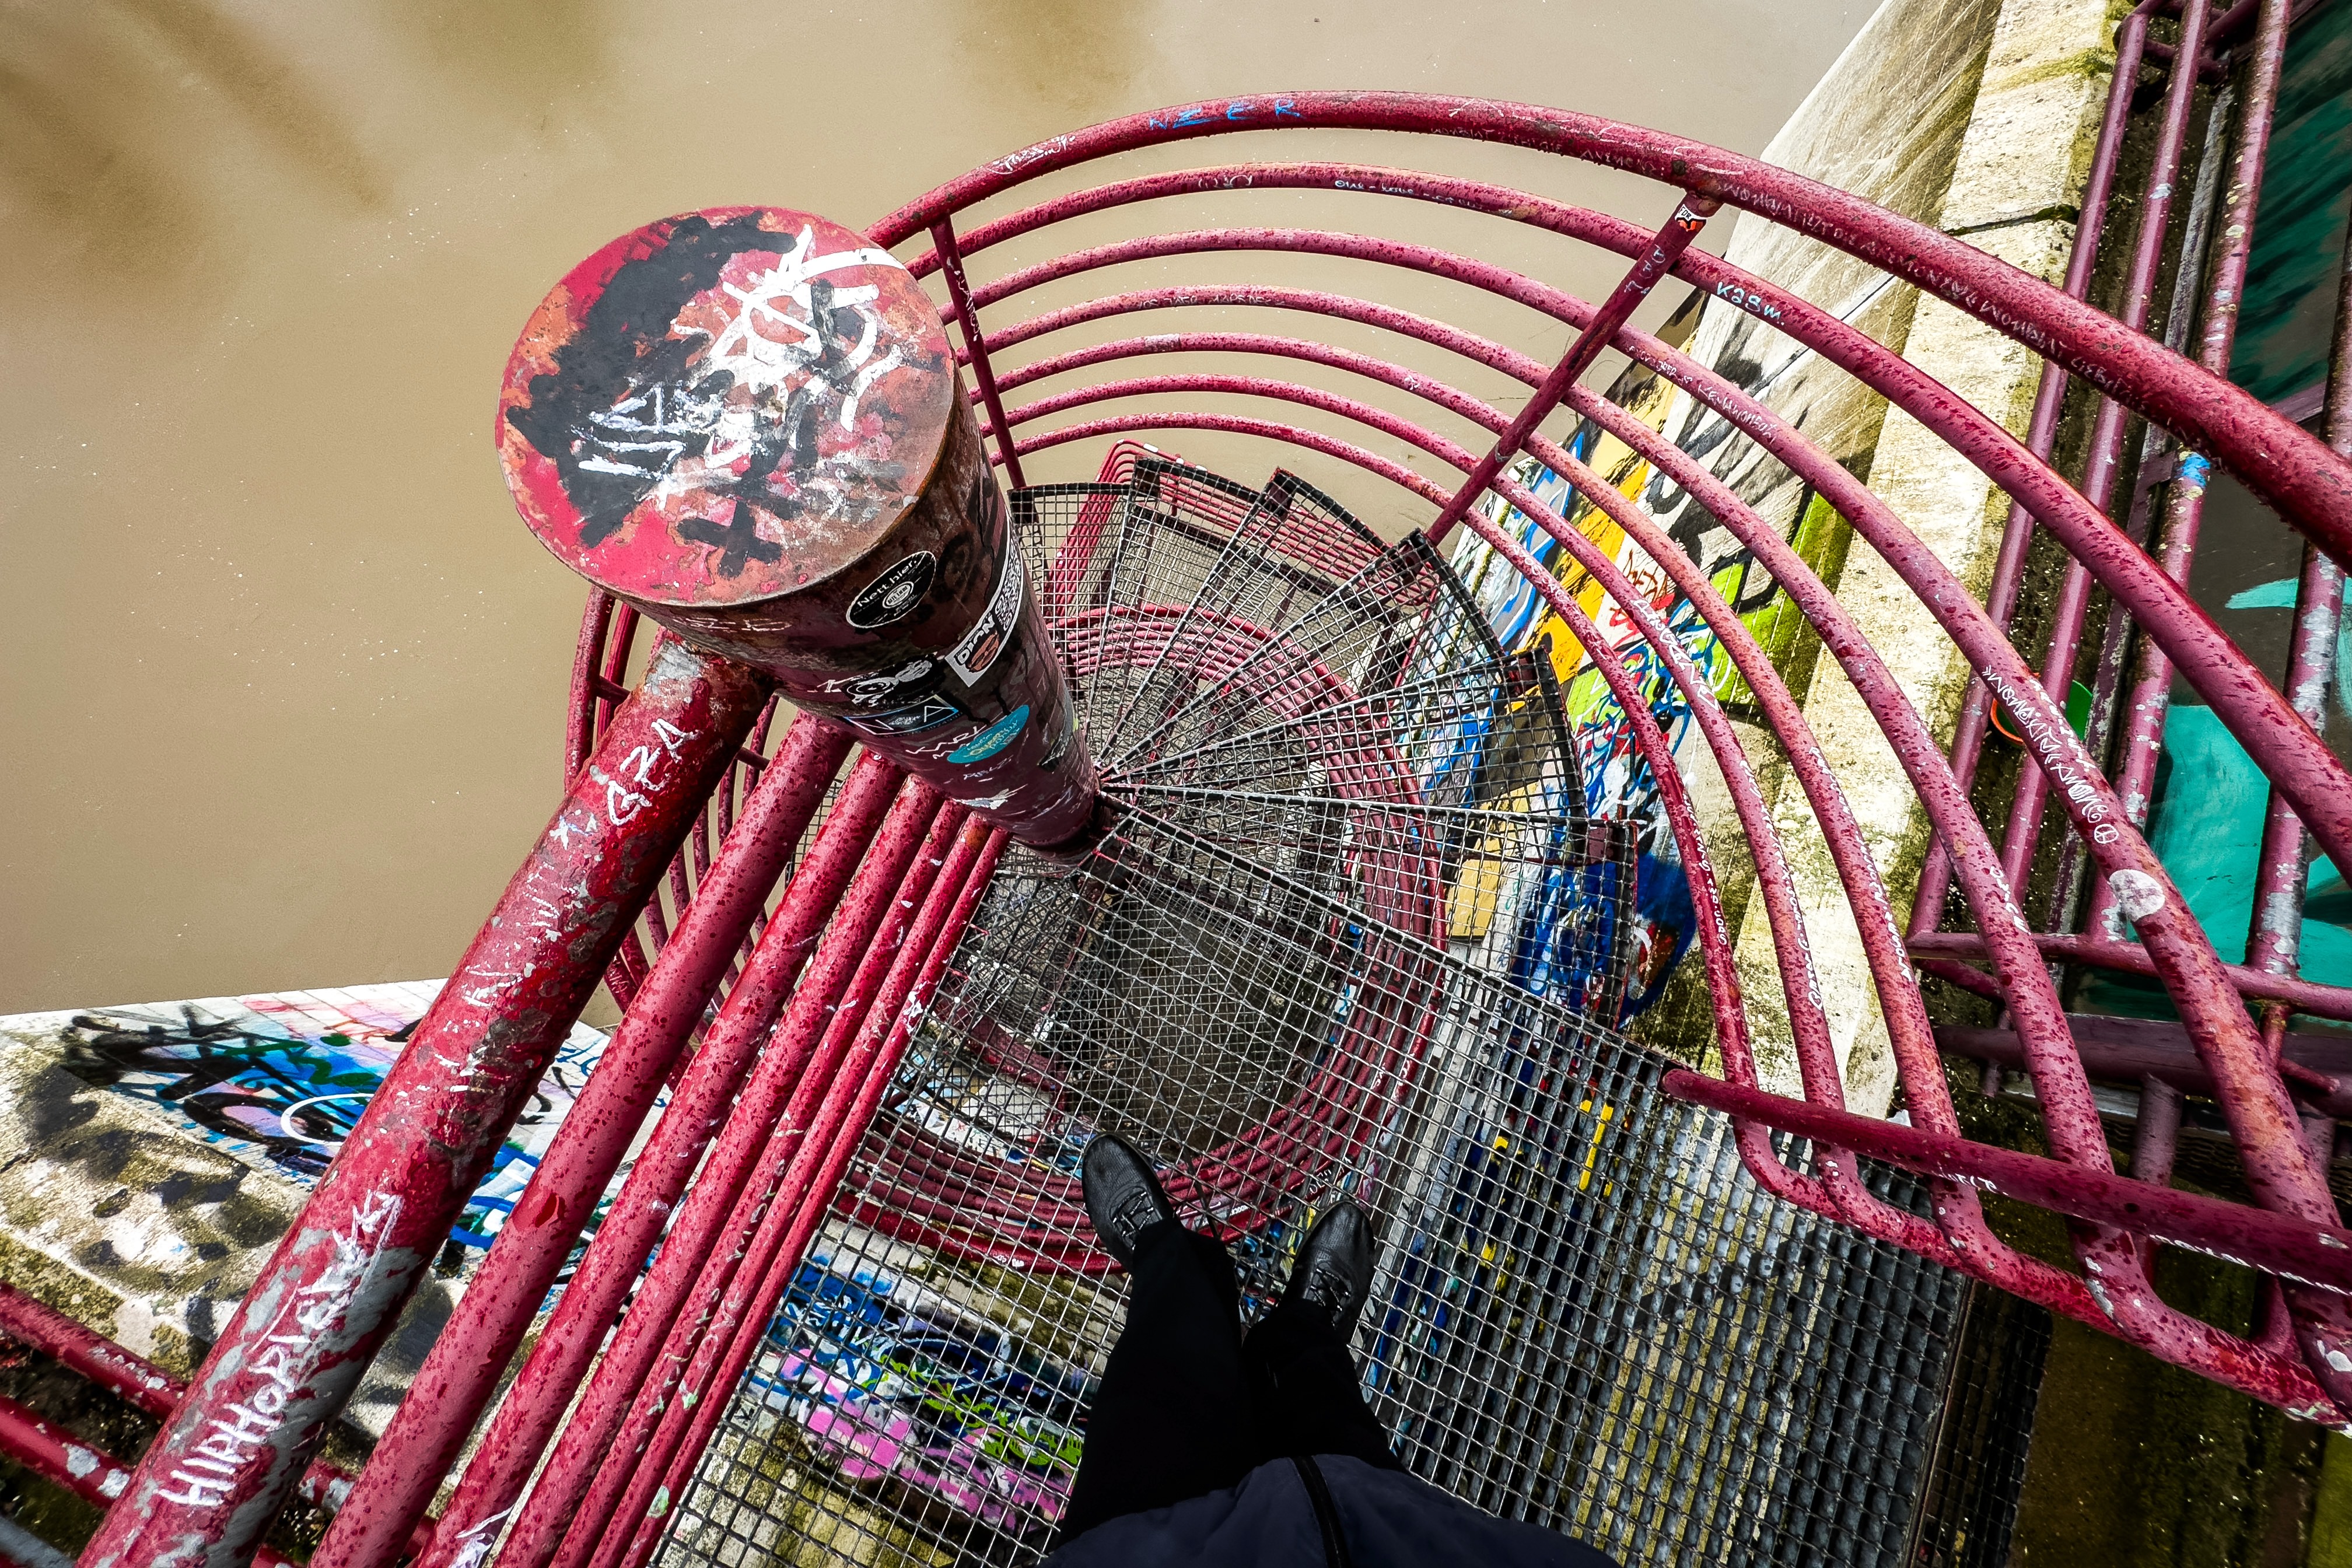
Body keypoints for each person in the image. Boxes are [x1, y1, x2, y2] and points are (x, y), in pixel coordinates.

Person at [1049, 1135, 1620, 1567]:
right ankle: (1302, 1328)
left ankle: (1168, 1258)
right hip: (1385, 1537)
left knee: (1161, 1379)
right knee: (1321, 1400)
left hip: (1142, 1546)